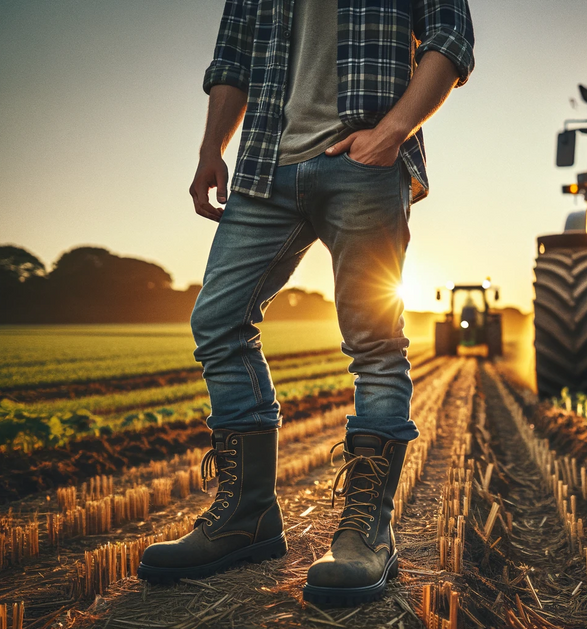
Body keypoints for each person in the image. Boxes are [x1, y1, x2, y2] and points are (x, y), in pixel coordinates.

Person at [137, 0, 475, 608]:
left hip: (364, 161)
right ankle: (248, 518)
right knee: (218, 320)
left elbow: (450, 36)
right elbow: (232, 58)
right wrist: (210, 147)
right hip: (264, 165)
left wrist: (393, 132)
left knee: (374, 342)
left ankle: (367, 533)